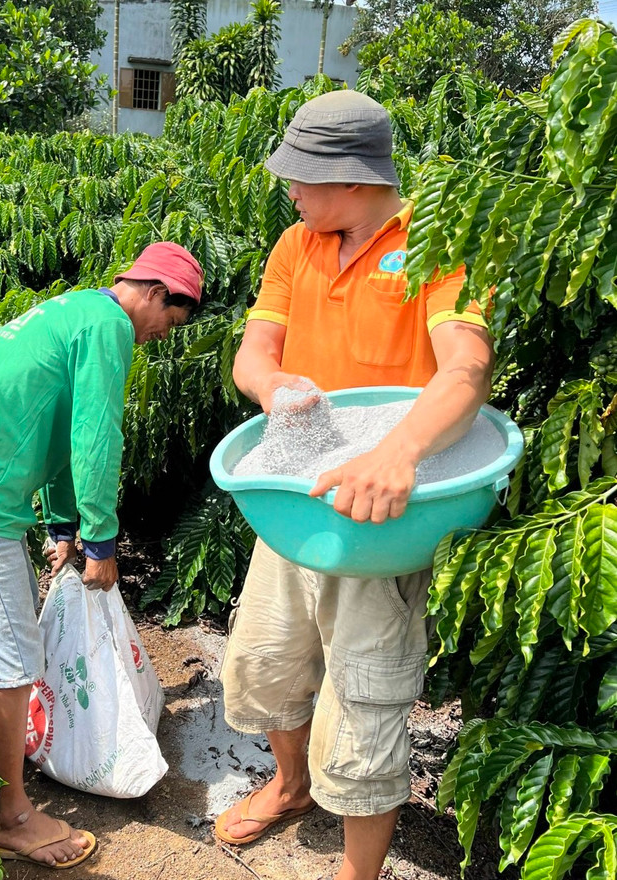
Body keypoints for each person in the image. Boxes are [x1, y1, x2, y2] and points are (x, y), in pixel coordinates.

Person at [214, 91, 494, 880]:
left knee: (366, 697)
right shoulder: (296, 244)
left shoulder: (439, 245)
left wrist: (396, 452)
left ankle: (358, 871)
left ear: (349, 176)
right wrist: (274, 390)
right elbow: (253, 353)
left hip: (381, 512)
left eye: (301, 178)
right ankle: (292, 785)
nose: (291, 192)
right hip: (294, 498)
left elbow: (467, 368)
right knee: (268, 659)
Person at [0, 242, 204, 869]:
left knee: (12, 652)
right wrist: (100, 543)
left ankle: (8, 788)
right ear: (154, 292)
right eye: (169, 322)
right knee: (13, 666)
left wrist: (63, 526)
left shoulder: (76, 311)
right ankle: (10, 817)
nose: (159, 336)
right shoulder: (111, 328)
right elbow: (97, 437)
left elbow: (64, 426)